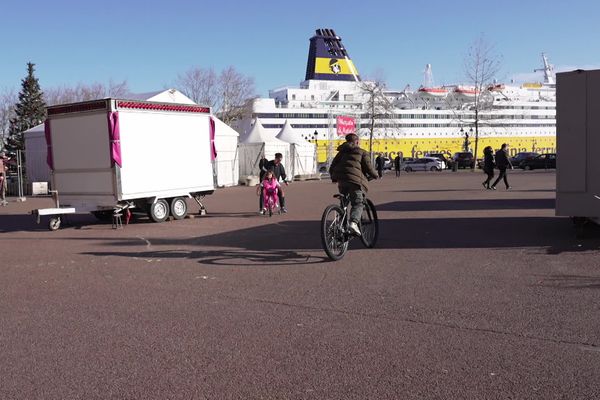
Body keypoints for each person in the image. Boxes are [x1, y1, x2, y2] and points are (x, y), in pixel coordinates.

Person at [329, 133, 379, 236]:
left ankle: (341, 228)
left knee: (343, 205)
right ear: (357, 142)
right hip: (355, 182)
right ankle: (353, 223)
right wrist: (376, 175)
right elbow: (369, 168)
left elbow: (332, 167)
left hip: (342, 182)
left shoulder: (340, 153)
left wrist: (334, 178)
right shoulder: (362, 152)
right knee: (358, 203)